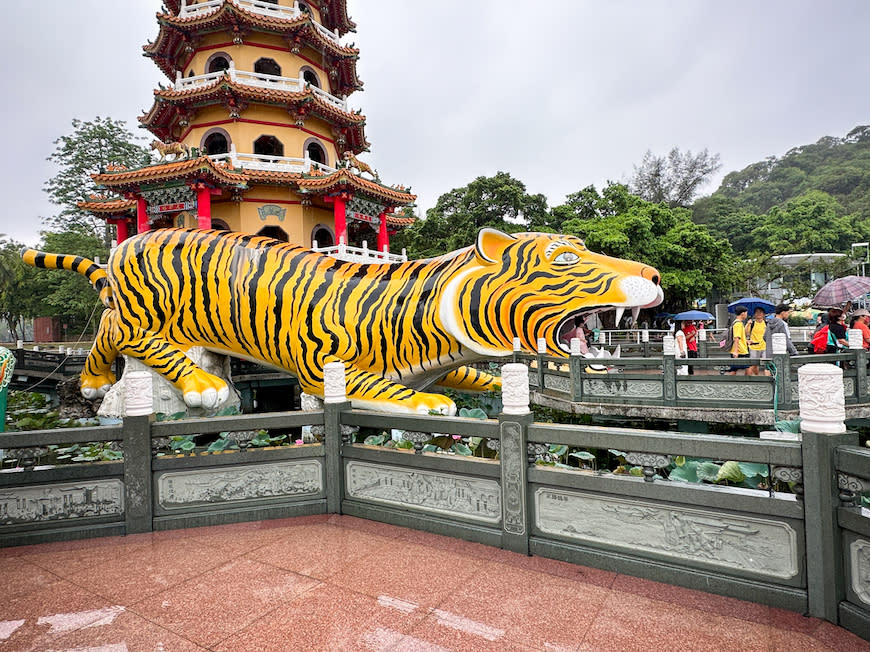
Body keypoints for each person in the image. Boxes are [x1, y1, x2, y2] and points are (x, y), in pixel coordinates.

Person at [726, 305, 749, 375]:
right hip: (740, 351)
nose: (746, 315)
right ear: (743, 313)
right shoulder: (738, 324)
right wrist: (736, 351)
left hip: (739, 350)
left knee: (734, 369)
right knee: (736, 369)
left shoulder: (736, 323)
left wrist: (747, 341)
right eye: (746, 313)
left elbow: (740, 337)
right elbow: (736, 338)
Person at [745, 307, 768, 376]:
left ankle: (767, 381)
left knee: (766, 365)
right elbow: (745, 333)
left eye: (761, 312)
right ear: (754, 314)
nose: (759, 314)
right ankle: (752, 379)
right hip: (753, 347)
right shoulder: (752, 323)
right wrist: (748, 324)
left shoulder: (767, 324)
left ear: (764, 314)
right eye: (757, 312)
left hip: (764, 347)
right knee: (753, 365)